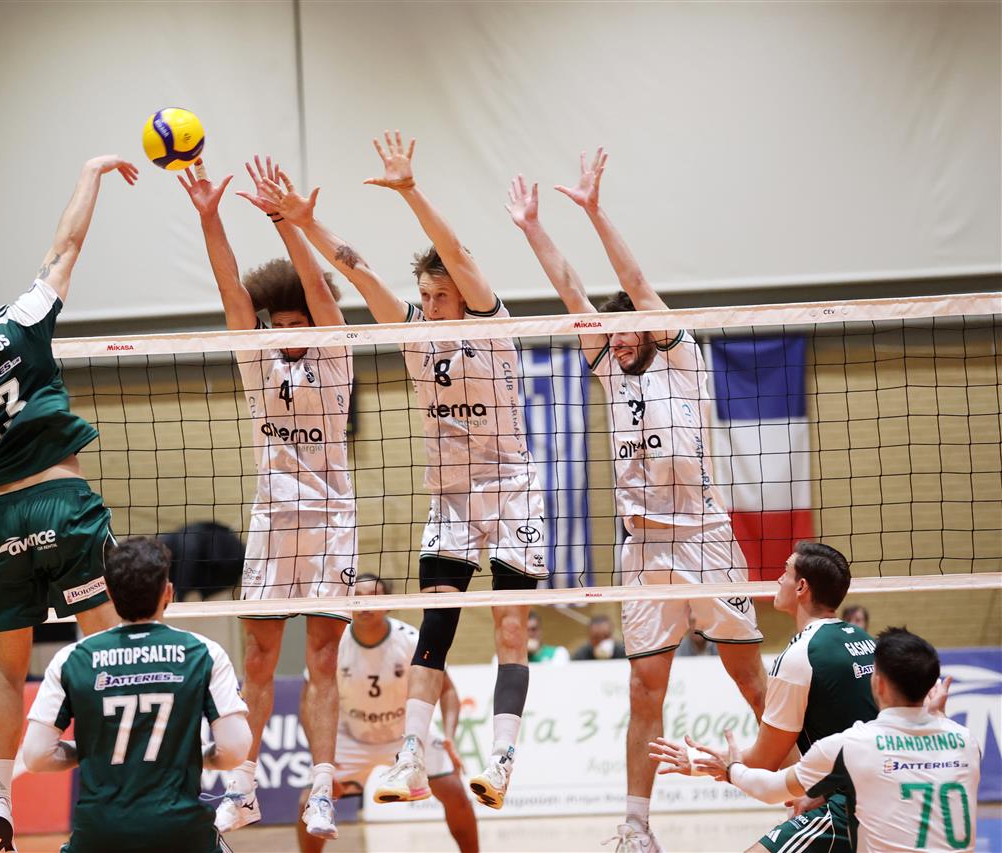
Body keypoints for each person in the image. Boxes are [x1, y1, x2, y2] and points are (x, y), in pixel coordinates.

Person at [264, 131, 549, 811]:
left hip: (511, 489)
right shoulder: (415, 334)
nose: (429, 303)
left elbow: (457, 256)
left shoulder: (488, 323)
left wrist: (411, 191)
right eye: (424, 293)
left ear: (463, 294)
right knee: (436, 624)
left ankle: (502, 760)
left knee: (511, 629)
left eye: (439, 294)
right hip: (450, 496)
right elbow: (360, 273)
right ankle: (412, 758)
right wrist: (305, 224)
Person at [507, 152, 766, 850]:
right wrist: (533, 228)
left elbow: (639, 286)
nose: (616, 337)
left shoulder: (682, 360)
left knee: (750, 678)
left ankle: (806, 788)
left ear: (649, 330)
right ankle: (635, 826)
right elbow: (572, 293)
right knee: (643, 689)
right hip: (643, 549)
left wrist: (594, 212)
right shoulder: (609, 370)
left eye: (626, 327)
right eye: (610, 330)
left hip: (706, 538)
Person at [0, 154, 136, 851]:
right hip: (63, 504)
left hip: (4, 521)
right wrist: (92, 172)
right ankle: (119, 786)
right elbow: (67, 245)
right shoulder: (22, 319)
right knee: (106, 649)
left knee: (7, 670)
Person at [176, 155, 354, 839]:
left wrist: (287, 224)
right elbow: (232, 293)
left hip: (332, 522)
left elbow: (323, 295)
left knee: (321, 661)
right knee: (257, 658)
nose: (284, 331)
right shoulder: (258, 362)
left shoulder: (334, 355)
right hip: (274, 521)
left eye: (294, 321)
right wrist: (210, 217)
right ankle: (244, 787)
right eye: (276, 322)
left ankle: (321, 789)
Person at [21, 537, 249, 853]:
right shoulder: (204, 653)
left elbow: (35, 756)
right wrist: (187, 754)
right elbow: (235, 749)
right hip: (181, 833)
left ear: (109, 594)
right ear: (168, 592)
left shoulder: (72, 659)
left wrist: (95, 750)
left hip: (99, 836)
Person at [652, 542, 877, 853]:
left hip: (848, 806)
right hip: (878, 791)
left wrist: (695, 763)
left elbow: (765, 760)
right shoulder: (867, 641)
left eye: (785, 572)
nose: (778, 580)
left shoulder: (801, 655)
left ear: (801, 587)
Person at [668, 629, 981, 853]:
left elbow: (770, 789)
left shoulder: (851, 745)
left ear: (879, 683)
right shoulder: (966, 742)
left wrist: (732, 769)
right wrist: (937, 717)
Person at [297, 574, 478, 853]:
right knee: (307, 803)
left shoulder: (409, 639)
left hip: (405, 736)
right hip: (351, 737)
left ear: (388, 603)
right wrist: (320, 759)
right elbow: (309, 702)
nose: (364, 604)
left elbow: (447, 690)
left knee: (454, 792)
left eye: (373, 597)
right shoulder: (335, 642)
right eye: (357, 597)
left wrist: (450, 737)